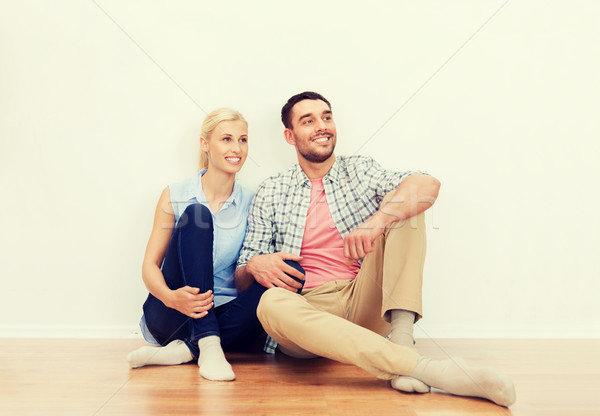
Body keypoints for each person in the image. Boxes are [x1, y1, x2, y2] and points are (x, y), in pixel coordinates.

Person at [234, 92, 516, 406]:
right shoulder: (271, 190)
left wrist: (377, 220)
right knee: (270, 303)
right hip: (310, 313)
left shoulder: (360, 170)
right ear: (290, 136)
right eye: (308, 120)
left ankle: (402, 341)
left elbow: (427, 185)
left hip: (364, 297)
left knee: (405, 207)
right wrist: (255, 265)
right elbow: (242, 276)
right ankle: (421, 367)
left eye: (327, 117)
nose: (322, 126)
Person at [127, 108, 266, 381]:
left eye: (243, 139)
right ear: (205, 144)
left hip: (225, 314)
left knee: (280, 280)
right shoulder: (175, 194)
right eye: (226, 139)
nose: (236, 148)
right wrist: (171, 297)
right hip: (172, 312)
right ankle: (210, 345)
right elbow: (149, 266)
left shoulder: (253, 202)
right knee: (197, 215)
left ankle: (189, 349)